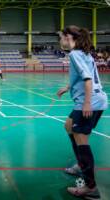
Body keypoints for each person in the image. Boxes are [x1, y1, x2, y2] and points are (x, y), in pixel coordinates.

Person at [57, 25, 108, 199]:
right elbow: (85, 75)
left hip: (89, 102)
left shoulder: (75, 54)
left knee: (81, 140)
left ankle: (90, 187)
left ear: (69, 37)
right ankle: (81, 164)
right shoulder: (84, 53)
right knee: (69, 126)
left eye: (61, 37)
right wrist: (68, 87)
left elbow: (87, 79)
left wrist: (86, 103)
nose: (60, 40)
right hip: (96, 100)